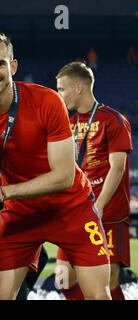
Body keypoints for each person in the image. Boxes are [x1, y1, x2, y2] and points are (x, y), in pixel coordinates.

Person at [0, 32, 111, 299]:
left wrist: (2, 192)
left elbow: (64, 176)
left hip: (71, 207)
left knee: (98, 295)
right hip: (21, 213)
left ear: (13, 66)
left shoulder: (46, 101)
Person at [55, 62, 132, 300]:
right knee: (63, 279)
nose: (59, 95)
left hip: (108, 215)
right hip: (77, 213)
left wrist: (98, 208)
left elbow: (117, 168)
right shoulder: (68, 124)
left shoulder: (114, 120)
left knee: (106, 283)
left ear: (78, 87)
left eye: (61, 89)